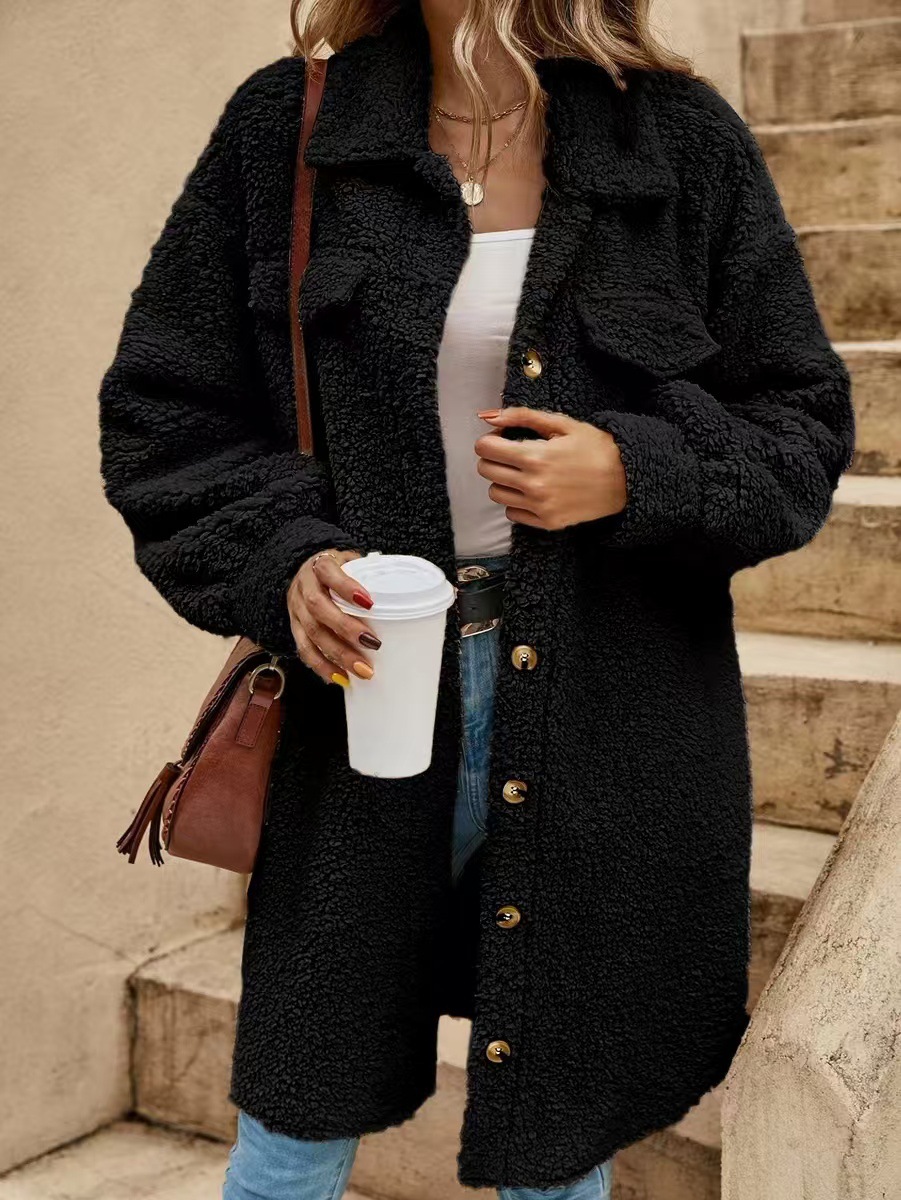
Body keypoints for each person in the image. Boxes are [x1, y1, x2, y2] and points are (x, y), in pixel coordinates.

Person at [97, 0, 854, 1195]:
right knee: (293, 1122)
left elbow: (800, 429)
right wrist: (286, 558)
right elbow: (166, 416)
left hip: (612, 706)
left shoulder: (676, 139)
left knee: (556, 1127)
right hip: (364, 691)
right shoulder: (288, 127)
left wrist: (634, 472)